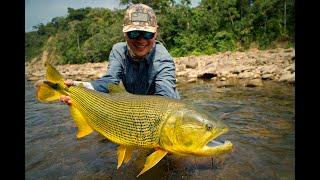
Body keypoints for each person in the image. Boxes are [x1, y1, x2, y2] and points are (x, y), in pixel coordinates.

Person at [60, 3, 180, 105]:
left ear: (156, 33)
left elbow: (166, 98)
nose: (141, 40)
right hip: (136, 109)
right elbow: (110, 81)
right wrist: (80, 87)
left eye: (147, 34)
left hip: (165, 114)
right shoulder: (118, 51)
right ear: (125, 33)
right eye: (134, 33)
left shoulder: (163, 59)